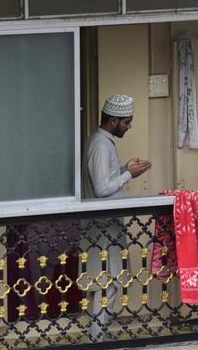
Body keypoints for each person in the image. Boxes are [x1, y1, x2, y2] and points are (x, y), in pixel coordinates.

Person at [81, 94, 151, 340]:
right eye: (126, 122)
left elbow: (104, 181)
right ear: (112, 121)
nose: (129, 126)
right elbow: (101, 190)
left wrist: (125, 169)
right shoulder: (100, 144)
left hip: (103, 227)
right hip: (102, 229)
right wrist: (128, 175)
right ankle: (96, 340)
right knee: (106, 285)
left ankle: (95, 338)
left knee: (104, 284)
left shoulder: (102, 142)